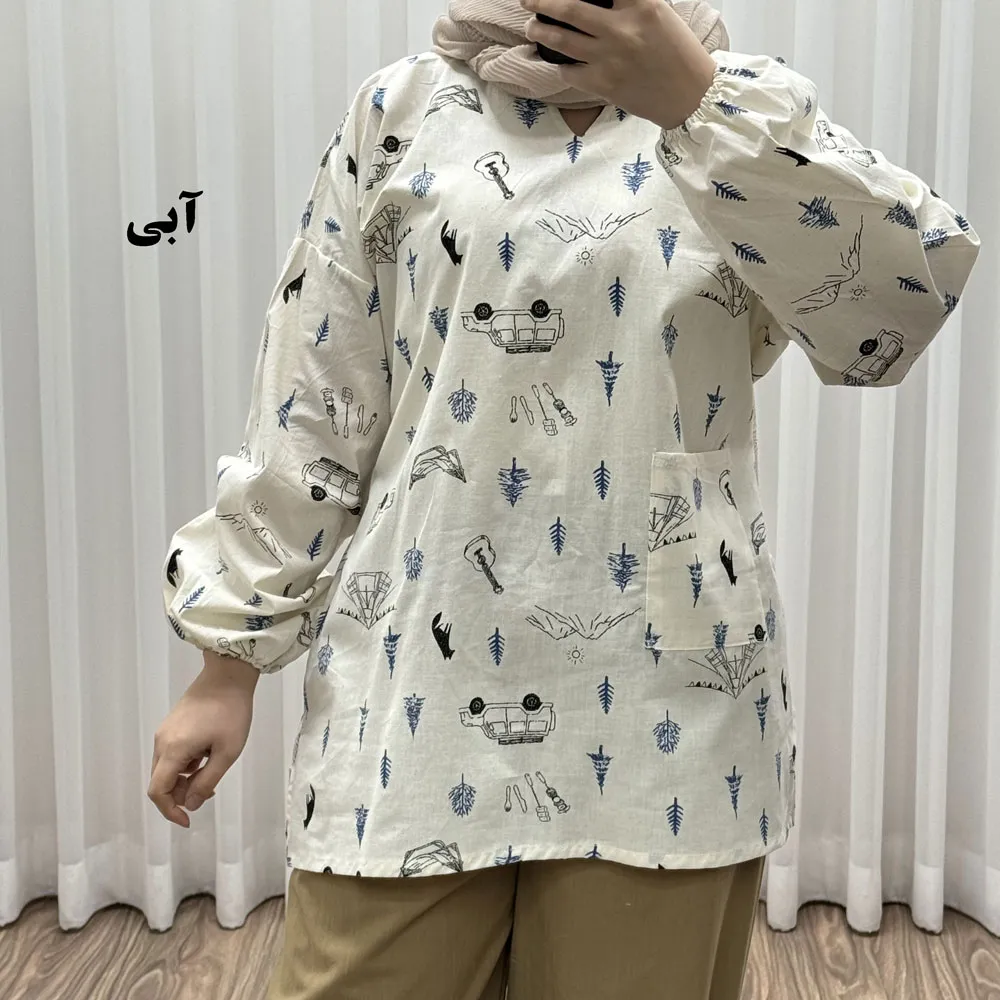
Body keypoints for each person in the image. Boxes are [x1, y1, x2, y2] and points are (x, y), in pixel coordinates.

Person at [148, 0, 981, 996]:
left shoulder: (743, 113)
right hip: (412, 684)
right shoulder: (401, 111)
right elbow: (317, 400)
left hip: (668, 700)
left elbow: (894, 315)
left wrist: (699, 103)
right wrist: (226, 665)